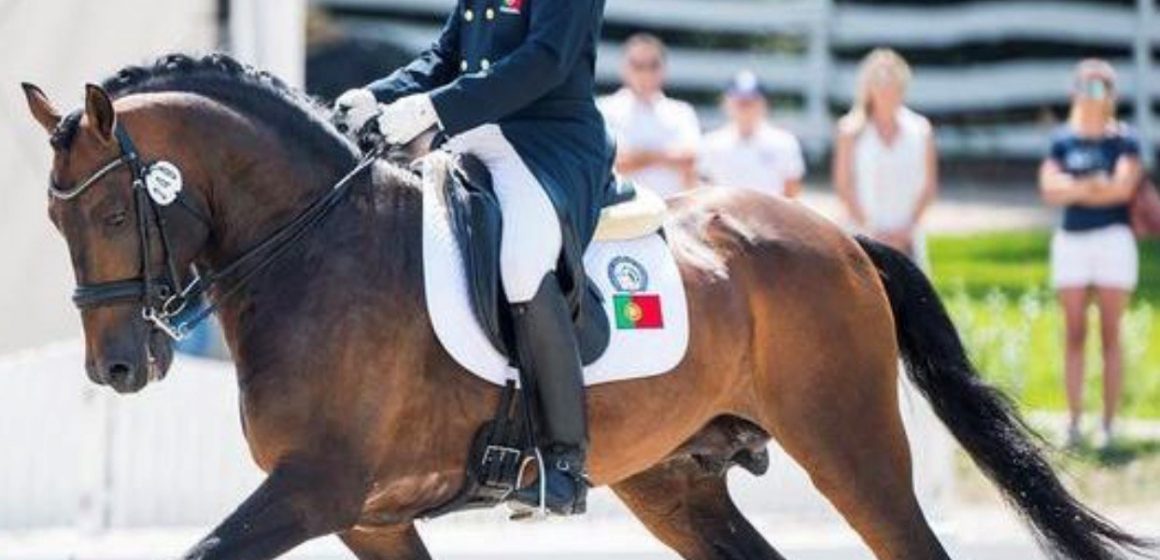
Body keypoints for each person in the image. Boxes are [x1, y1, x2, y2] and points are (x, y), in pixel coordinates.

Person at [332, 0, 614, 515]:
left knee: (523, 266)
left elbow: (546, 60)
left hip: (548, 143)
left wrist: (435, 108)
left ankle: (565, 462)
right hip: (475, 131)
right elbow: (446, 56)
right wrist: (378, 94)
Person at [1039, 59, 1143, 449]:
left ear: (1110, 95)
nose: (1088, 93)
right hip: (1072, 242)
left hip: (1113, 239)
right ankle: (1073, 419)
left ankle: (1109, 423)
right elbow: (1049, 189)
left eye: (1098, 87)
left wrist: (1076, 186)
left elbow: (1122, 188)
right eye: (1083, 85)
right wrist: (1093, 184)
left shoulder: (1124, 140)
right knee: (1074, 332)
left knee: (1110, 334)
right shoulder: (1063, 140)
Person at [833, 49, 938, 270]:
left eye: (893, 82)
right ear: (868, 87)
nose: (887, 90)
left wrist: (905, 231)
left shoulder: (920, 129)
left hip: (907, 238)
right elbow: (844, 187)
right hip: (862, 237)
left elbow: (928, 187)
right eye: (880, 82)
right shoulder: (851, 130)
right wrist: (874, 233)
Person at [598, 33, 701, 197]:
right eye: (637, 65)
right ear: (624, 68)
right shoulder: (604, 109)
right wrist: (666, 157)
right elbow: (610, 164)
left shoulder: (682, 111)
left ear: (664, 69)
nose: (646, 72)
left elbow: (690, 161)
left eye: (653, 65)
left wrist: (638, 157)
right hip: (623, 212)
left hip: (671, 213)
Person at [699, 70, 805, 198]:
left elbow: (792, 192)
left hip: (768, 215)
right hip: (725, 215)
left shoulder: (784, 143)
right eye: (740, 102)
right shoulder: (711, 143)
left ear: (764, 104)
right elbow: (706, 190)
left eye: (751, 101)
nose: (745, 107)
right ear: (725, 103)